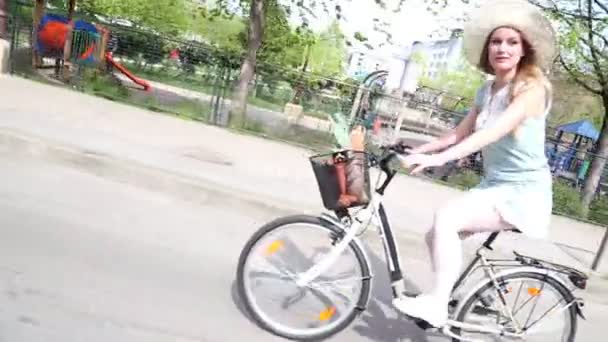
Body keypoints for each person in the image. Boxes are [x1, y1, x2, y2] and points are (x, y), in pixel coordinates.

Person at [392, 0, 557, 328]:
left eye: (512, 42)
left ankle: (438, 304)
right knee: (434, 235)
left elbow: (492, 133)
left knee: (447, 218)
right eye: (496, 42)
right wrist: (419, 150)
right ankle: (462, 293)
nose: (502, 48)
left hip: (524, 192)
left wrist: (437, 160)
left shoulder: (531, 90)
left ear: (524, 49)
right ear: (487, 50)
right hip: (495, 186)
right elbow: (459, 133)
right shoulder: (487, 90)